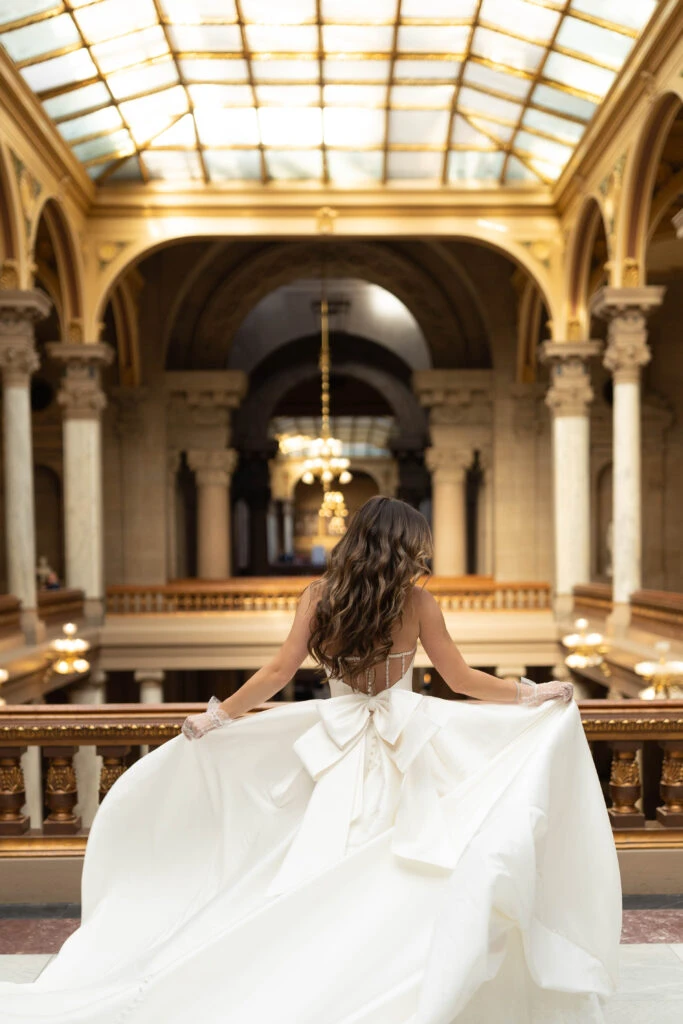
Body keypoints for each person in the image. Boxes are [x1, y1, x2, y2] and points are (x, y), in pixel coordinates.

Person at [0, 497, 621, 1024]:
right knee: (418, 862)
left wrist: (218, 716)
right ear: (407, 545)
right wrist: (529, 693)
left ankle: (317, 967)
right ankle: (396, 973)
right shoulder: (418, 604)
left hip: (336, 745)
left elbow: (277, 672)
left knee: (320, 862)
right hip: (413, 747)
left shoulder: (320, 597)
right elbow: (459, 680)